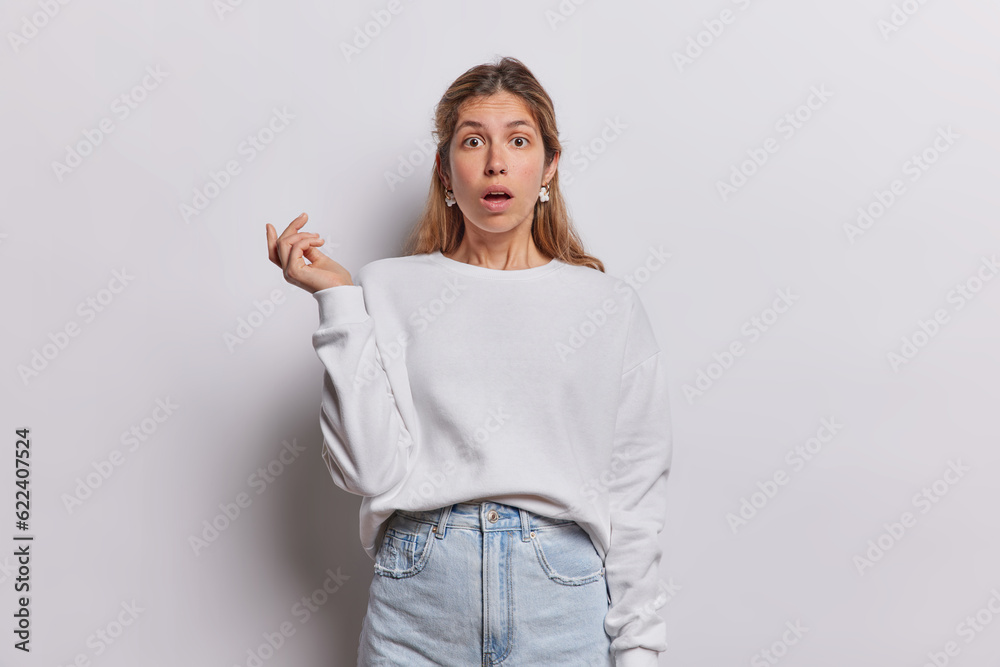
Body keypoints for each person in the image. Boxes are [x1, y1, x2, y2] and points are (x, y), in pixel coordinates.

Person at [266, 56, 672, 667]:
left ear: (549, 166)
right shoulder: (384, 290)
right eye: (473, 140)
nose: (495, 162)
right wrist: (337, 302)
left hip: (561, 604)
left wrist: (640, 650)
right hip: (418, 602)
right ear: (445, 168)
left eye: (518, 139)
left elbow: (635, 496)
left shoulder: (607, 306)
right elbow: (368, 473)